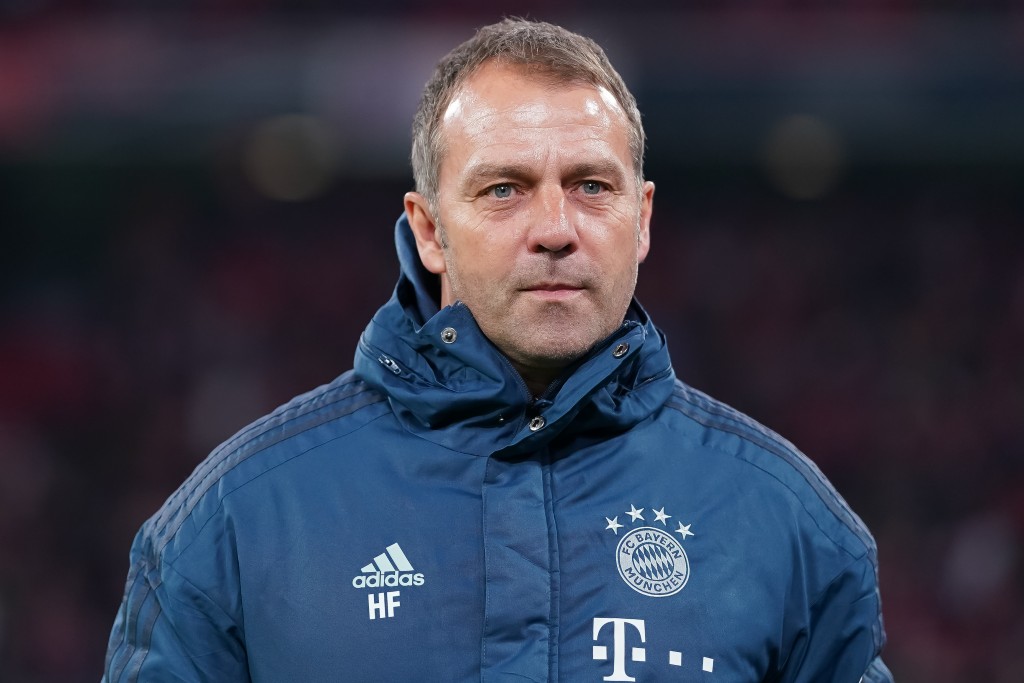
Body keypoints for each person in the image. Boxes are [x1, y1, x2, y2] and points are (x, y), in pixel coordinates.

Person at [103, 18, 891, 683]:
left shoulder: (792, 526)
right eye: (504, 189)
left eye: (591, 185)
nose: (555, 228)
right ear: (429, 229)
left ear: (642, 218)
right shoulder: (236, 524)